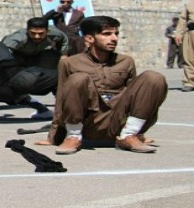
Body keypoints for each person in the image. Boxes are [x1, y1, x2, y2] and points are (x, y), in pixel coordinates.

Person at [37, 16, 167, 155]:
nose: (114, 38)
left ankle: (129, 135)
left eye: (116, 33)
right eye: (106, 34)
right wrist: (53, 137)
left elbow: (137, 98)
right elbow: (61, 99)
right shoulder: (69, 63)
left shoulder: (126, 61)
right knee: (78, 79)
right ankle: (73, 136)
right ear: (89, 39)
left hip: (118, 119)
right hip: (89, 121)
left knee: (154, 78)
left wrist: (139, 132)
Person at [0, 18, 68, 113]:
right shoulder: (17, 38)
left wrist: (64, 54)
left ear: (47, 31)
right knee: (2, 78)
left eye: (41, 33)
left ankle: (61, 99)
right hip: (16, 56)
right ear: (27, 31)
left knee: (57, 70)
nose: (37, 36)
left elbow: (64, 39)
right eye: (33, 33)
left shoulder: (56, 33)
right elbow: (2, 52)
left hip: (37, 55)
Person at [174, 1, 194, 92]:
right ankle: (189, 82)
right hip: (191, 32)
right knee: (189, 58)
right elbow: (183, 19)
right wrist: (178, 33)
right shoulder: (191, 4)